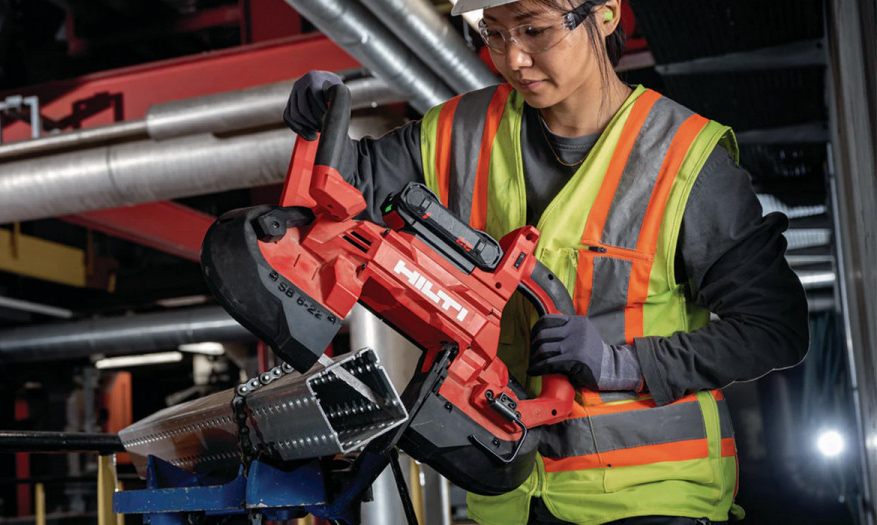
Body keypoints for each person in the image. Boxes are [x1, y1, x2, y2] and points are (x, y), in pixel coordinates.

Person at [282, 0, 809, 523]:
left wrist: (623, 366)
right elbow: (348, 185)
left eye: (534, 30)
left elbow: (772, 328)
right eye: (493, 33)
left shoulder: (684, 159)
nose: (514, 59)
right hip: (509, 495)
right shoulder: (457, 132)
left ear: (605, 15)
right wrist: (322, 125)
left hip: (650, 496)